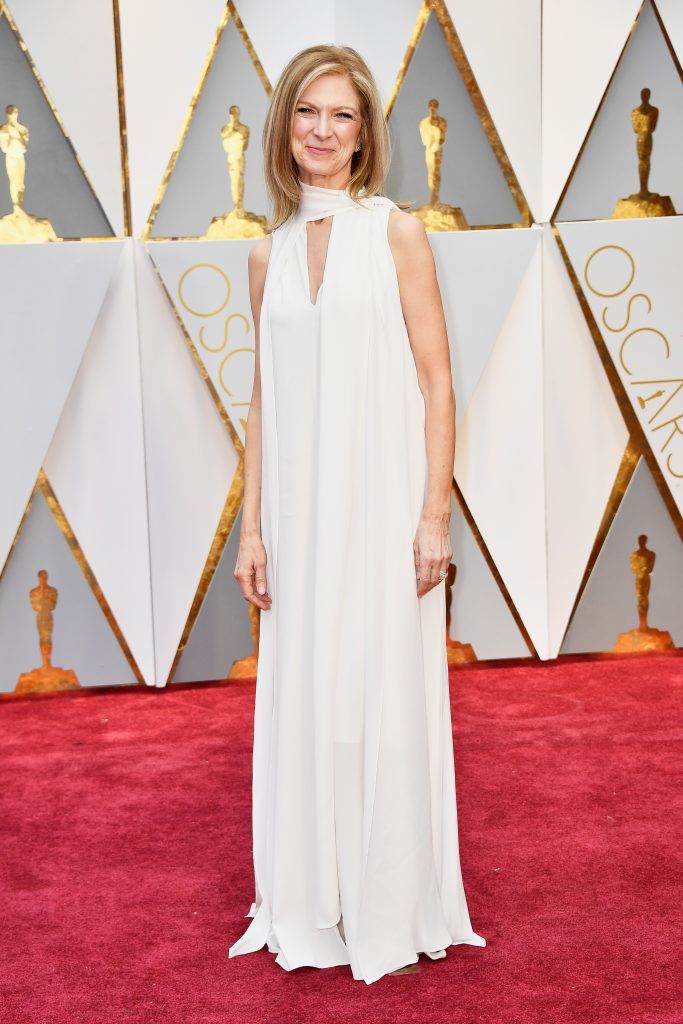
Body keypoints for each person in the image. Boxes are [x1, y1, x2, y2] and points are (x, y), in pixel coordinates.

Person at [229, 44, 486, 985]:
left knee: (376, 690)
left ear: (366, 132)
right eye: (306, 113)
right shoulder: (265, 254)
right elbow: (263, 403)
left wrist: (431, 517)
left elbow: (437, 380)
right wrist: (252, 531)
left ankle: (385, 894)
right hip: (298, 516)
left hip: (381, 510)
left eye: (340, 115)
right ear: (284, 126)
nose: (321, 132)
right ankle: (310, 894)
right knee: (309, 693)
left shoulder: (398, 234)